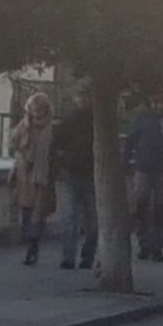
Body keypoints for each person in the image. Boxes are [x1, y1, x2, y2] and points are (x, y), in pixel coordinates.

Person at [123, 95, 163, 262]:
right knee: (141, 205)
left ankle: (157, 246)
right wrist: (125, 162)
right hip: (143, 168)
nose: (159, 106)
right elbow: (130, 140)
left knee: (160, 209)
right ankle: (144, 243)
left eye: (162, 102)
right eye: (156, 102)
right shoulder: (143, 119)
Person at [8, 92, 56, 267]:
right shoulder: (23, 126)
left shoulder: (51, 128)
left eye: (39, 110)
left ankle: (33, 247)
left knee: (38, 213)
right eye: (33, 110)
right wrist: (22, 157)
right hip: (24, 176)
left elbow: (55, 152)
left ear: (46, 110)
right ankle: (31, 241)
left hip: (42, 176)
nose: (36, 113)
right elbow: (12, 146)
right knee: (26, 212)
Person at [51, 95, 97, 270]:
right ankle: (69, 257)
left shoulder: (98, 121)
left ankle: (87, 256)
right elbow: (55, 146)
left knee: (92, 222)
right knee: (70, 218)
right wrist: (61, 167)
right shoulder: (69, 121)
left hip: (91, 176)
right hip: (71, 175)